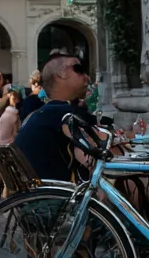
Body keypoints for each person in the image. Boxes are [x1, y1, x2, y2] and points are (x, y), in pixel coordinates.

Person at [13, 55, 91, 183]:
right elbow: (98, 153)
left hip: (35, 194)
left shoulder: (41, 114)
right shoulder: (64, 115)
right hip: (57, 196)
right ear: (60, 75)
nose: (86, 76)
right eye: (79, 69)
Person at [0, 88, 23, 199]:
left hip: (0, 145)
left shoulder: (2, 114)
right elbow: (16, 133)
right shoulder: (14, 115)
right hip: (10, 147)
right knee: (9, 175)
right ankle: (6, 194)